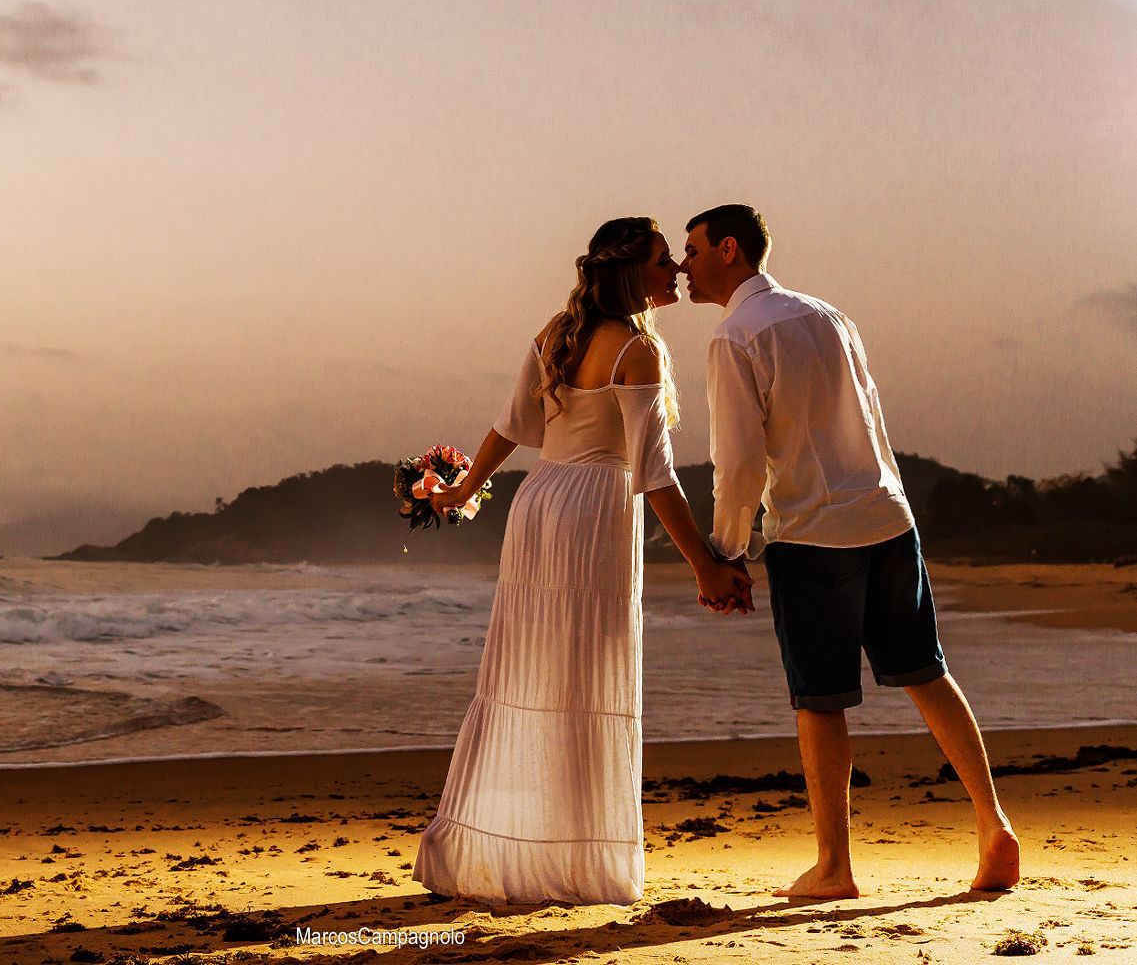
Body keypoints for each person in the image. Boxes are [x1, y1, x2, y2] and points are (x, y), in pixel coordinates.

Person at [677, 203, 1021, 898]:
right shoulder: (828, 314)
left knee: (820, 698)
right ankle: (993, 825)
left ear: (727, 249)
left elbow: (738, 460)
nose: (682, 266)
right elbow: (870, 415)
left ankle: (834, 865)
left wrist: (726, 552)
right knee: (927, 673)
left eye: (691, 250)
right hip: (887, 515)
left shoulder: (735, 335)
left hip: (813, 532)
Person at [412, 216, 753, 906]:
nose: (674, 271)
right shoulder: (636, 351)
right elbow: (654, 474)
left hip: (537, 506)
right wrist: (704, 565)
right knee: (586, 679)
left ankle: (516, 842)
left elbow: (510, 428)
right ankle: (573, 857)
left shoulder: (556, 332)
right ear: (630, 271)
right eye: (663, 260)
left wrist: (464, 489)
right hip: (594, 512)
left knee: (529, 673)